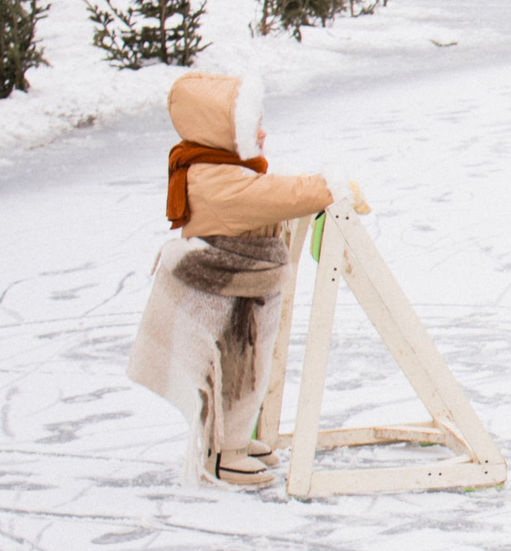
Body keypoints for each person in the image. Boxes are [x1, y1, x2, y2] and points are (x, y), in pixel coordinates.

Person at [127, 73, 359, 487]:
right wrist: (329, 187)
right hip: (233, 289)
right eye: (253, 126)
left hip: (250, 284)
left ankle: (234, 440)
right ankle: (225, 453)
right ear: (222, 131)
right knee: (237, 370)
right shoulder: (214, 180)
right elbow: (272, 196)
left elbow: (266, 188)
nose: (263, 133)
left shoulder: (217, 167)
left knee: (251, 368)